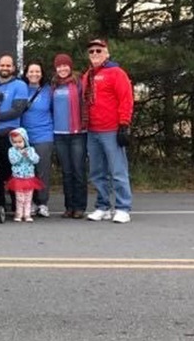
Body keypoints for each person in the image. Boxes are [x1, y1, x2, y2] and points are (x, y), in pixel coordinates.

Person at [82, 38, 134, 224]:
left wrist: (124, 124)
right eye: (91, 51)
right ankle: (102, 206)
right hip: (92, 130)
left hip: (111, 129)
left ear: (107, 53)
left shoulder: (116, 73)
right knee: (97, 172)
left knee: (118, 170)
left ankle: (123, 207)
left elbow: (126, 99)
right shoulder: (87, 75)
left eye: (98, 50)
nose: (95, 54)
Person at [0, 54, 30, 214]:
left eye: (8, 65)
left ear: (13, 68)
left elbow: (16, 111)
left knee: (14, 171)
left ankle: (17, 205)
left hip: (11, 136)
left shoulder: (20, 85)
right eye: (2, 65)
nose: (5, 68)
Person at [51, 53, 87, 218]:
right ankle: (69, 207)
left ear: (70, 66)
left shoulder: (78, 83)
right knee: (66, 172)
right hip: (59, 133)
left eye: (65, 65)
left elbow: (86, 103)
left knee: (78, 171)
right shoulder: (53, 85)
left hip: (77, 133)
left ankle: (80, 207)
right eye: (59, 66)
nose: (62, 69)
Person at [21, 62, 54, 218]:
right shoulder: (21, 88)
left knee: (42, 171)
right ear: (26, 73)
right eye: (31, 71)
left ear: (41, 74)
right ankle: (30, 202)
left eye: (37, 71)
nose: (34, 74)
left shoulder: (49, 91)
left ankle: (42, 202)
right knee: (26, 171)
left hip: (44, 135)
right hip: (23, 137)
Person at [6, 127, 43, 222]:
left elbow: (36, 160)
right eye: (15, 142)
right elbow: (13, 161)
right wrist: (20, 154)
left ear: (25, 140)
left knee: (28, 197)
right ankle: (19, 213)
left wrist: (29, 155)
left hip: (29, 177)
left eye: (20, 142)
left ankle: (27, 214)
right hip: (18, 178)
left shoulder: (30, 150)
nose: (17, 144)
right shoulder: (12, 150)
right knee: (19, 198)